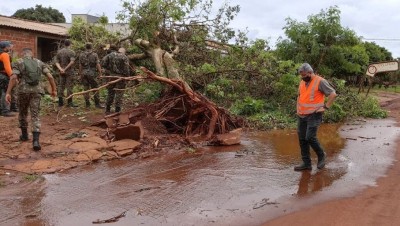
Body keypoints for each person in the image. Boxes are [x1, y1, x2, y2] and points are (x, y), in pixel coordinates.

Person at [5, 48, 57, 151]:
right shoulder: (39, 62)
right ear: (32, 54)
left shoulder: (18, 62)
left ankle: (24, 136)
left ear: (23, 54)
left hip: (23, 92)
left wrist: (8, 92)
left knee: (23, 113)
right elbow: (50, 77)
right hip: (37, 91)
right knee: (35, 114)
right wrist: (54, 90)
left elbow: (13, 77)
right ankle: (36, 141)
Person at [294, 63, 337, 171]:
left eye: (304, 75)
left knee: (310, 137)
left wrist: (326, 107)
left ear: (310, 72)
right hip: (302, 115)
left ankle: (321, 155)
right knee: (302, 139)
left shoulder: (320, 81)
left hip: (314, 114)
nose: (303, 78)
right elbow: (299, 97)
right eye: (301, 76)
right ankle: (306, 163)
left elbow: (333, 94)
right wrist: (297, 109)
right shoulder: (302, 82)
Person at [101, 45, 130, 114]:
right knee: (119, 93)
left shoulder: (109, 55)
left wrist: (109, 70)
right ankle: (117, 110)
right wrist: (127, 77)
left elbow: (103, 64)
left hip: (111, 76)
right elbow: (126, 69)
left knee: (110, 92)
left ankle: (107, 109)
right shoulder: (124, 57)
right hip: (121, 77)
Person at [78, 43, 103, 108]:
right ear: (91, 47)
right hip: (92, 73)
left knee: (86, 89)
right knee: (95, 88)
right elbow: (98, 65)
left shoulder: (81, 55)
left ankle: (87, 104)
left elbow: (80, 66)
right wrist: (100, 73)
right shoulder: (95, 55)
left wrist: (80, 75)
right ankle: (97, 104)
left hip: (84, 73)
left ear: (85, 47)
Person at [55, 39, 77, 107]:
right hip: (69, 72)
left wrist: (61, 69)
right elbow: (72, 62)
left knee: (61, 86)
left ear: (64, 44)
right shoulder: (71, 52)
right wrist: (65, 69)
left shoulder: (59, 52)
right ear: (70, 44)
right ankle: (69, 102)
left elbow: (56, 62)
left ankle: (60, 102)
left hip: (61, 72)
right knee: (69, 86)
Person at [0, 40, 15, 117]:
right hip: (3, 76)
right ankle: (5, 111)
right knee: (5, 92)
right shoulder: (5, 54)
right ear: (5, 47)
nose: (10, 47)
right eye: (9, 46)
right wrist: (12, 75)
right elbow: (7, 68)